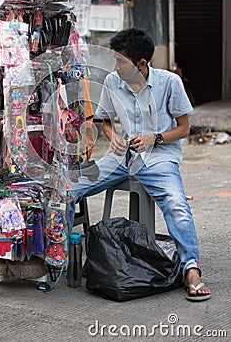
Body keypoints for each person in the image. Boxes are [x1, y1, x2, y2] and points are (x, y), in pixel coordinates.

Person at [68, 27, 211, 302]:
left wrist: (154, 138)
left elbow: (184, 129)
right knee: (68, 186)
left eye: (121, 61)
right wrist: (113, 139)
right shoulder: (112, 81)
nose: (115, 66)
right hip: (121, 158)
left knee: (176, 203)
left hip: (159, 159)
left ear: (141, 63)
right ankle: (57, 256)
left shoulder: (169, 82)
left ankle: (191, 269)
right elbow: (106, 121)